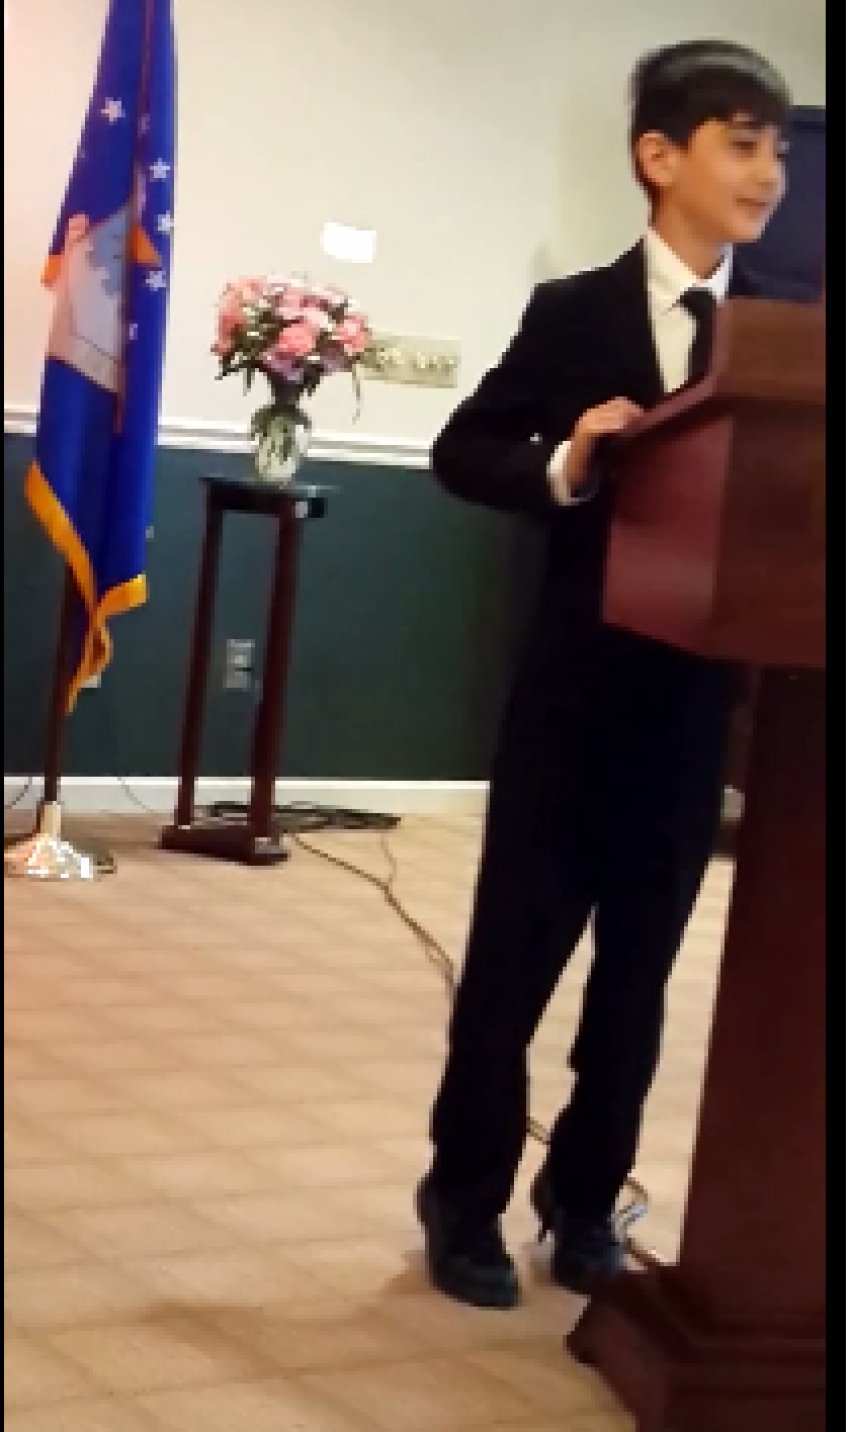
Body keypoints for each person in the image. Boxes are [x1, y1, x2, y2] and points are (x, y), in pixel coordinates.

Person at [418, 39, 791, 1309]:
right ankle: (460, 1202)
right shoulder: (574, 312)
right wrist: (568, 460)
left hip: (699, 718)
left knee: (634, 985)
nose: (768, 170)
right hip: (570, 702)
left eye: (779, 148)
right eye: (741, 141)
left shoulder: (789, 332)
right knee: (513, 970)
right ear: (659, 155)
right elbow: (463, 448)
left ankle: (584, 1203)